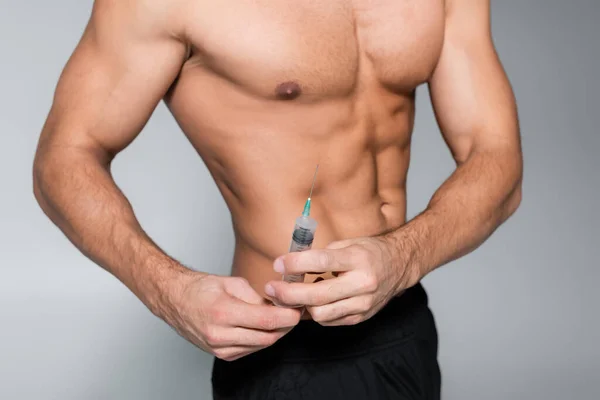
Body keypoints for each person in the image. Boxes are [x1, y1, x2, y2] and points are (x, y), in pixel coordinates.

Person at [33, 0, 523, 398]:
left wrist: (403, 255)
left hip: (402, 320)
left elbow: (496, 158)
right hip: (280, 347)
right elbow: (63, 160)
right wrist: (170, 292)